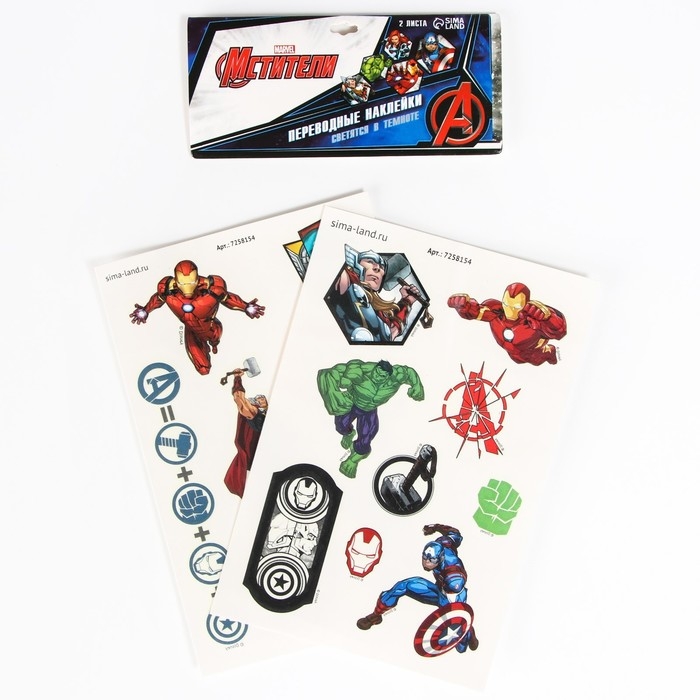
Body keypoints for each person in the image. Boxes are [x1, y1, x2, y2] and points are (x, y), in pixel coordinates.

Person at [357, 523, 478, 653]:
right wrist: (435, 527)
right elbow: (454, 533)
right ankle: (376, 616)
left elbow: (456, 608)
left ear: (440, 558)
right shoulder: (444, 543)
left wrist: (460, 625)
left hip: (453, 598)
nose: (426, 562)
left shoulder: (454, 578)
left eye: (431, 560)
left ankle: (470, 636)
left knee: (461, 646)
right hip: (439, 589)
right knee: (403, 586)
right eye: (425, 558)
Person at [130, 260, 264, 375]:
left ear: (197, 279)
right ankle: (208, 348)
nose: (187, 287)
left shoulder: (212, 289)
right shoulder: (167, 291)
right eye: (183, 283)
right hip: (192, 332)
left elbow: (228, 298)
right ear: (176, 281)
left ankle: (214, 345)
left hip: (211, 327)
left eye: (191, 282)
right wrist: (146, 310)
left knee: (214, 341)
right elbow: (157, 299)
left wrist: (245, 306)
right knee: (204, 370)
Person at [317, 359, 424, 477]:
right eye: (376, 373)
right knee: (341, 426)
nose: (377, 377)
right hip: (353, 402)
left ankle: (352, 461)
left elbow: (409, 372)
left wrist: (417, 386)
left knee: (366, 438)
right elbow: (328, 374)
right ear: (375, 368)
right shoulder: (360, 371)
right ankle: (349, 433)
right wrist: (333, 394)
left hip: (369, 411)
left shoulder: (396, 377)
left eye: (382, 376)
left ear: (388, 376)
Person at [447, 282, 567, 366]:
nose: (510, 310)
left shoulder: (533, 320)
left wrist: (548, 318)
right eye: (506, 304)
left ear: (525, 304)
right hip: (512, 354)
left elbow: (559, 331)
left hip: (531, 353)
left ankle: (552, 352)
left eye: (516, 306)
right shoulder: (496, 311)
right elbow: (476, 312)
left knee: (538, 361)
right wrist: (464, 307)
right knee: (518, 360)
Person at [223, 368, 267, 497]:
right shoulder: (255, 414)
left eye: (261, 398)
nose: (259, 398)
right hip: (251, 467)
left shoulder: (266, 414)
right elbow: (240, 401)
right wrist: (237, 379)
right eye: (257, 399)